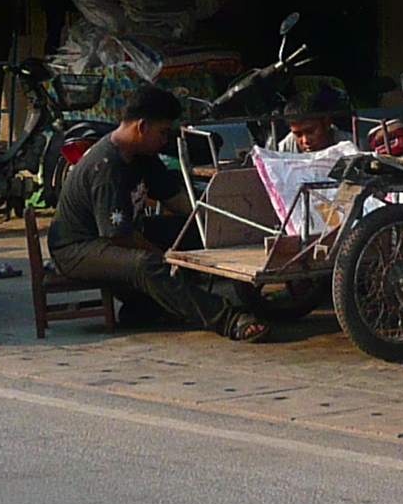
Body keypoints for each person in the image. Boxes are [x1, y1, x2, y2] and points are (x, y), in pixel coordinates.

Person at [46, 86, 267, 341]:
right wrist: (166, 258)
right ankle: (229, 319)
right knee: (149, 265)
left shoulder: (142, 154)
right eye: (162, 133)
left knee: (192, 231)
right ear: (142, 127)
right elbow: (119, 237)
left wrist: (214, 221)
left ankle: (146, 308)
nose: (164, 140)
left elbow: (174, 198)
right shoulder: (107, 166)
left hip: (121, 231)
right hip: (79, 248)